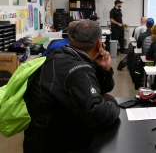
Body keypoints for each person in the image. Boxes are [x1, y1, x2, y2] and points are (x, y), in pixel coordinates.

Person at [24, 20, 120, 152]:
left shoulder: (63, 55)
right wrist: (110, 100)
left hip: (41, 139)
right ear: (99, 45)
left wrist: (104, 69)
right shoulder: (78, 69)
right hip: (56, 145)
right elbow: (99, 115)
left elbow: (101, 89)